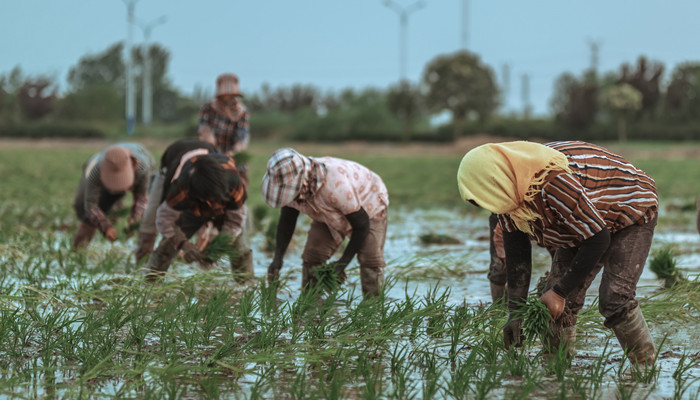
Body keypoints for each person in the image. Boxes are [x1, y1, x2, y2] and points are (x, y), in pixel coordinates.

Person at [458, 140, 658, 364]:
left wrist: (560, 292)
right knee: (552, 301)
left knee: (614, 297)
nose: (491, 206)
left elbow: (598, 238)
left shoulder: (551, 182)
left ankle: (645, 368)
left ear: (496, 181)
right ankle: (557, 370)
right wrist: (515, 312)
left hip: (629, 210)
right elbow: (518, 256)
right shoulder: (509, 197)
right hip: (586, 222)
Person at [263, 148, 389, 297]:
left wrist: (342, 263)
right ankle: (311, 302)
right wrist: (278, 258)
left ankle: (373, 307)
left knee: (370, 258)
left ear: (300, 182)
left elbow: (362, 225)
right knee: (313, 255)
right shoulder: (293, 189)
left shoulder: (336, 186)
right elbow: (287, 221)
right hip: (326, 211)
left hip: (368, 204)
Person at [144, 152, 252, 282]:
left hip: (225, 208)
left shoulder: (233, 182)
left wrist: (221, 243)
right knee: (167, 246)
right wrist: (183, 244)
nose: (210, 204)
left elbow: (235, 221)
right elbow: (164, 220)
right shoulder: (183, 186)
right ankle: (149, 284)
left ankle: (246, 286)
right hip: (193, 210)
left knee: (238, 248)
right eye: (207, 200)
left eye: (212, 199)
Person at [133, 138, 217, 261]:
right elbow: (164, 212)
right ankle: (143, 257)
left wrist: (207, 226)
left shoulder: (216, 179)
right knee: (152, 215)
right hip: (169, 168)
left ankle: (205, 258)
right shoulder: (175, 180)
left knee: (209, 224)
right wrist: (180, 242)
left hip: (205, 170)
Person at [73, 143, 156, 249]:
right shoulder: (96, 170)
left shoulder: (142, 167)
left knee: (153, 211)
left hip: (144, 170)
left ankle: (148, 254)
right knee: (85, 210)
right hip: (103, 178)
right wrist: (105, 226)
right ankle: (78, 249)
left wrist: (135, 219)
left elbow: (141, 198)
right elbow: (91, 204)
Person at [197, 73, 250, 183]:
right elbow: (205, 132)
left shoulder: (242, 112)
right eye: (227, 94)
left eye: (232, 95)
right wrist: (216, 154)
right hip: (211, 152)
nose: (230, 98)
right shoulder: (207, 109)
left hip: (232, 154)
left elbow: (242, 137)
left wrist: (232, 154)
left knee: (241, 177)